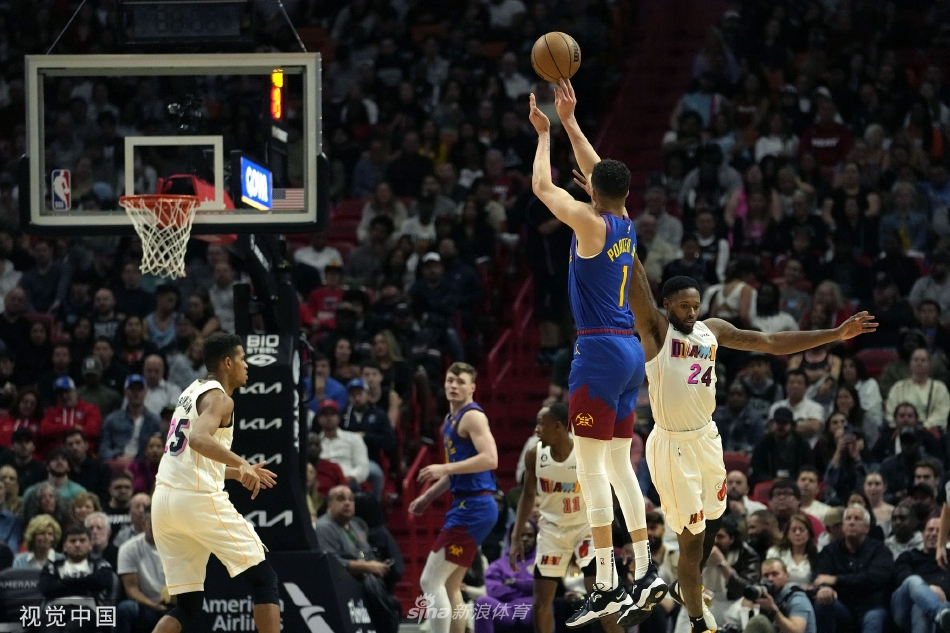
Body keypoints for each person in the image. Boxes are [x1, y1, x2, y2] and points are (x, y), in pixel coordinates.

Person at [623, 266, 876, 633]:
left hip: (707, 439)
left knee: (715, 521)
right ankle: (698, 621)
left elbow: (771, 342)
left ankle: (683, 587)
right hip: (673, 446)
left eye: (695, 306)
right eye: (682, 307)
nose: (690, 313)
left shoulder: (712, 330)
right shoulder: (657, 332)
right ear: (666, 305)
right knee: (691, 542)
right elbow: (638, 292)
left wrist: (836, 334)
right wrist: (622, 239)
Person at [527, 79, 661, 626]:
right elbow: (599, 171)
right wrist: (571, 121)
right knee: (620, 466)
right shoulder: (624, 220)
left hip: (599, 351)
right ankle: (645, 568)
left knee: (590, 471)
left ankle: (606, 580)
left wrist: (544, 134)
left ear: (593, 192)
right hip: (629, 353)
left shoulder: (588, 222)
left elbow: (542, 187)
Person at [150, 332, 280, 633]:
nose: (247, 365)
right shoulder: (222, 399)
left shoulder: (191, 391)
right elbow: (198, 439)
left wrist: (237, 472)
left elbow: (193, 461)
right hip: (196, 500)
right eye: (242, 359)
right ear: (227, 362)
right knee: (264, 579)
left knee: (187, 605)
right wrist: (241, 463)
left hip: (164, 503)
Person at [509, 403, 622, 633]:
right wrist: (515, 537)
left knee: (603, 600)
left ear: (559, 427)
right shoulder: (534, 455)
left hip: (585, 529)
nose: (536, 429)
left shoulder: (585, 453)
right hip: (552, 532)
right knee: (540, 604)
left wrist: (619, 533)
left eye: (541, 424)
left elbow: (611, 493)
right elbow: (527, 496)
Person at [409, 363, 498, 633]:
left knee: (429, 581)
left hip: (473, 507)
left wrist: (445, 468)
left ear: (472, 387)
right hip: (470, 504)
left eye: (460, 381)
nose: (454, 386)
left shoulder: (472, 417)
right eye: (450, 380)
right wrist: (428, 496)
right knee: (449, 585)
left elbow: (490, 459)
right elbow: (458, 470)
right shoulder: (449, 421)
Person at [813, 505, 892, 633]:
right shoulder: (830, 551)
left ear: (867, 528)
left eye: (857, 519)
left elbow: (874, 578)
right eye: (848, 519)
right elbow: (820, 576)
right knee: (823, 601)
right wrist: (824, 588)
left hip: (871, 607)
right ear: (843, 526)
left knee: (874, 618)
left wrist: (837, 580)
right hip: (842, 607)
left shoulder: (880, 550)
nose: (851, 522)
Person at [892, 515, 950, 633]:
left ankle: (939, 614)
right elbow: (901, 578)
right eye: (930, 530)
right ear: (923, 534)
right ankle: (939, 613)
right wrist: (929, 588)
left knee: (920, 607)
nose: (934, 534)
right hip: (904, 608)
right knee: (912, 580)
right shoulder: (908, 556)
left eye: (939, 531)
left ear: (947, 538)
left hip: (942, 604)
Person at [117, 504, 167, 633]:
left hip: (178, 607)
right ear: (144, 524)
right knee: (125, 608)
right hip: (147, 607)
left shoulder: (181, 548)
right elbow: (131, 589)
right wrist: (154, 605)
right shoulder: (128, 549)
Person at [745, 558, 818, 633]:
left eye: (775, 574)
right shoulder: (770, 596)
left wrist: (773, 610)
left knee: (759, 621)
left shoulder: (797, 598)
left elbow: (797, 631)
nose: (770, 579)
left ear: (787, 576)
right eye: (766, 576)